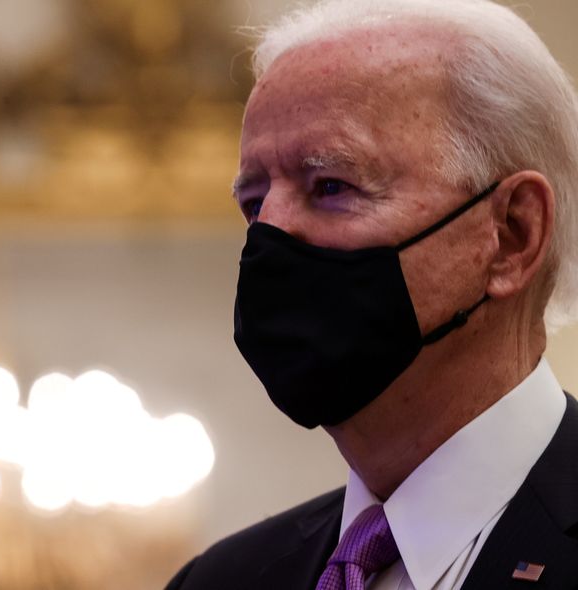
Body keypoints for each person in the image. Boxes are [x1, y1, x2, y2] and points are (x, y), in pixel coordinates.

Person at [166, 0, 578, 588]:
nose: (268, 235)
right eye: (253, 202)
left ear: (511, 234)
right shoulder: (220, 579)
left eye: (331, 185)